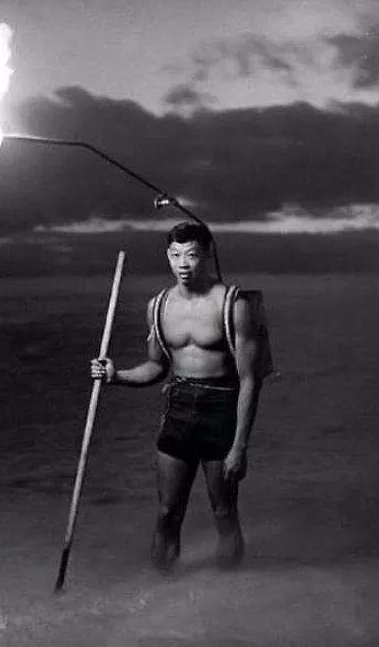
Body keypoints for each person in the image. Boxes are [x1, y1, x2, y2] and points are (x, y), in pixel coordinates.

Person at [90, 221, 265, 572]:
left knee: (224, 511)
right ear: (167, 257)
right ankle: (160, 596)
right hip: (178, 407)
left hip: (220, 410)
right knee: (168, 512)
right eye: (174, 255)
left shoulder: (233, 305)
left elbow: (250, 380)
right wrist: (116, 375)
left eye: (191, 255)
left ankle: (230, 597)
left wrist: (240, 447)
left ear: (207, 254)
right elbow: (156, 368)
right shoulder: (158, 306)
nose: (183, 264)